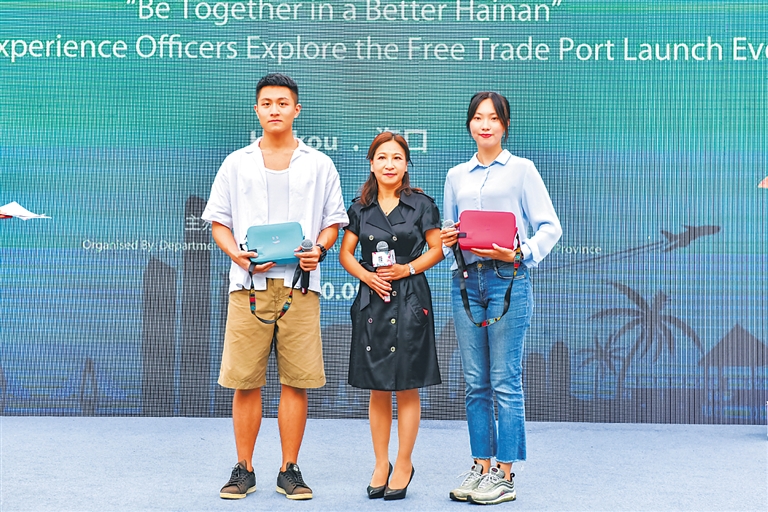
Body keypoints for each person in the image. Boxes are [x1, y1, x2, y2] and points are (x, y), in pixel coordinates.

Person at [201, 73, 348, 501]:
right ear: (257, 110)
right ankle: (243, 468)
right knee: (246, 381)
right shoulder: (236, 162)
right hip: (249, 285)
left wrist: (319, 250)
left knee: (296, 381)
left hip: (299, 287)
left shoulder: (319, 164)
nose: (275, 110)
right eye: (267, 103)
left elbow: (333, 222)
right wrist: (238, 255)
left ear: (296, 110)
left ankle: (289, 469)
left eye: (283, 103)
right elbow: (219, 221)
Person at [441, 92, 562, 505]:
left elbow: (550, 226)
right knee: (475, 382)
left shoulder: (522, 170)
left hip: (508, 279)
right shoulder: (456, 175)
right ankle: (481, 467)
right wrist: (448, 238)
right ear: (469, 125)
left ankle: (505, 475)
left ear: (505, 125)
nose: (485, 124)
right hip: (466, 281)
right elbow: (448, 232)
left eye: (493, 118)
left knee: (505, 380)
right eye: (478, 117)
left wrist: (519, 253)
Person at [339, 132, 443, 500]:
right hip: (374, 300)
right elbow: (346, 253)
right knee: (378, 386)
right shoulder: (359, 208)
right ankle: (380, 462)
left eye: (397, 158)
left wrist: (407, 269)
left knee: (407, 385)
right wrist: (366, 276)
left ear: (406, 164)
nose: (389, 164)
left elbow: (437, 249)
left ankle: (403, 462)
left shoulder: (421, 205)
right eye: (382, 157)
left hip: (410, 298)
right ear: (371, 163)